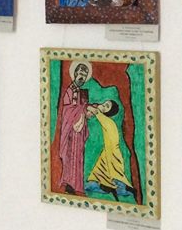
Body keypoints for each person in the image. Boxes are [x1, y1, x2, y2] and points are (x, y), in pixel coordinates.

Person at [85, 100, 134, 200]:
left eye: (106, 106)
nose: (102, 105)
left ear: (108, 112)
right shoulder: (107, 120)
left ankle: (121, 188)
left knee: (115, 171)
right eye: (104, 104)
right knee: (101, 168)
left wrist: (89, 107)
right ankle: (97, 184)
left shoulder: (108, 121)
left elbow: (96, 111)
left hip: (112, 152)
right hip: (107, 151)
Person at [57, 61, 92, 195]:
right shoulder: (70, 91)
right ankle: (68, 185)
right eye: (81, 74)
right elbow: (67, 111)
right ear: (75, 74)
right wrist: (83, 108)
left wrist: (86, 111)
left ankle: (76, 185)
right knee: (70, 157)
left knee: (78, 158)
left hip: (79, 131)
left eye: (85, 75)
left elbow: (83, 110)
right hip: (71, 132)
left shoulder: (83, 93)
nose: (82, 77)